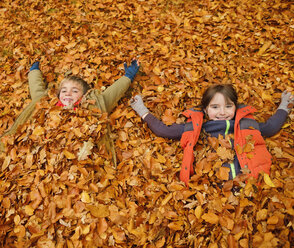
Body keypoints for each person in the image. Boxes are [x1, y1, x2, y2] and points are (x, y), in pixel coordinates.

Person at [130, 84, 294, 186]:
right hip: (211, 186)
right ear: (205, 110)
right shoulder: (197, 127)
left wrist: (285, 105)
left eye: (228, 106)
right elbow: (163, 130)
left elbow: (271, 127)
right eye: (215, 107)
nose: (222, 112)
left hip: (250, 183)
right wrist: (142, 110)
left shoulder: (247, 125)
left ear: (236, 108)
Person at [0, 60, 140, 166]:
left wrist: (129, 76)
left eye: (75, 91)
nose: (68, 94)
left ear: (84, 95)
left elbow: (112, 93)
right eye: (64, 90)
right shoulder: (47, 104)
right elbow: (36, 88)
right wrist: (34, 71)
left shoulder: (94, 106)